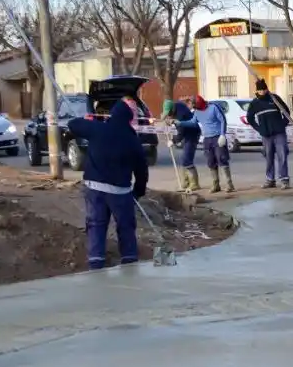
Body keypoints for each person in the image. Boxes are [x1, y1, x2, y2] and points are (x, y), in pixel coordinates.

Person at [66, 99, 149, 270]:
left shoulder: (97, 128)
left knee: (96, 225)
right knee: (125, 226)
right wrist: (138, 192)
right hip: (121, 192)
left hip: (95, 188)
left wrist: (88, 121)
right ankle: (129, 260)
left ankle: (96, 263)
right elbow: (142, 169)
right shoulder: (132, 140)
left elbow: (72, 124)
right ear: (127, 119)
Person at [246, 79, 291, 189]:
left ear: (267, 89)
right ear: (257, 91)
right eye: (260, 90)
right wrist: (259, 129)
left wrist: (282, 124)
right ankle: (270, 180)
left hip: (279, 132)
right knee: (269, 157)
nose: (262, 92)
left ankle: (284, 179)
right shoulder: (255, 103)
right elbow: (250, 118)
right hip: (266, 135)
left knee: (282, 155)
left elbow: (286, 111)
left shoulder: (274, 98)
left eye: (264, 89)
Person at [191, 95, 234, 193]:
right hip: (207, 139)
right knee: (211, 162)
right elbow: (192, 122)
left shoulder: (213, 107)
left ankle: (229, 184)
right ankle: (216, 185)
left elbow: (223, 120)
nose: (195, 107)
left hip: (218, 137)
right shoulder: (197, 112)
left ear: (199, 104)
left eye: (195, 105)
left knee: (222, 160)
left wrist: (222, 134)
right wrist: (178, 122)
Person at [166, 96, 202, 191]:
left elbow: (181, 132)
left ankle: (194, 183)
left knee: (187, 158)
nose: (169, 115)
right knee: (184, 158)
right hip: (187, 134)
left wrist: (173, 141)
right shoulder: (177, 106)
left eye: (169, 113)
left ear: (172, 109)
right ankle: (186, 183)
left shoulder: (180, 114)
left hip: (192, 134)